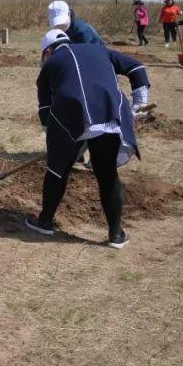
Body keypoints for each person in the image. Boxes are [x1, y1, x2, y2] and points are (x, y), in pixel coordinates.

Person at [25, 30, 150, 248]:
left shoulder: (49, 66)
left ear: (48, 51)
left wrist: (62, 147)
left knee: (56, 171)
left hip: (72, 118)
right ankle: (116, 235)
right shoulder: (99, 49)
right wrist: (139, 102)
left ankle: (45, 222)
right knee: (107, 174)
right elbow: (137, 68)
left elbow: (46, 114)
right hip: (110, 116)